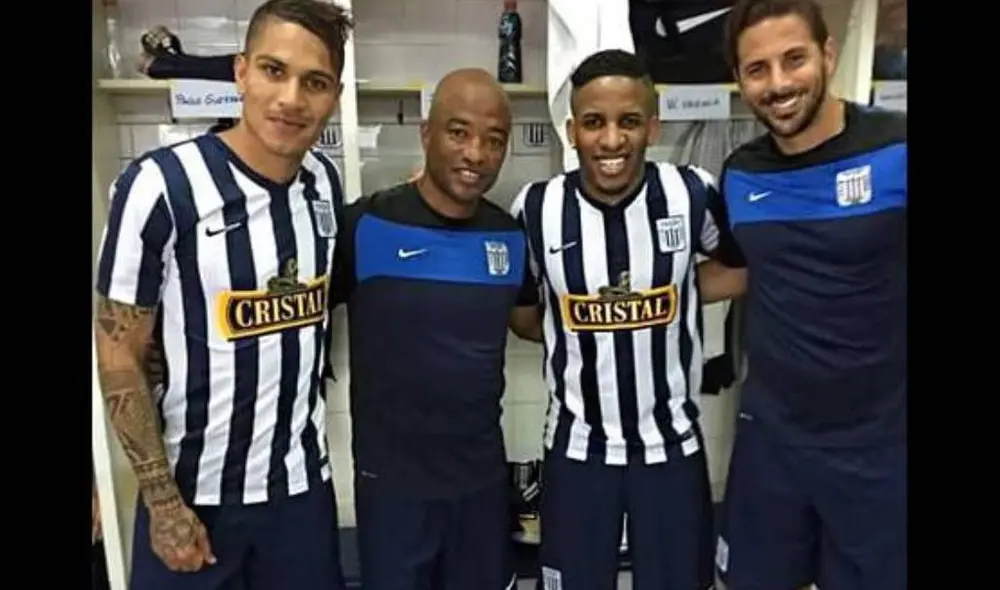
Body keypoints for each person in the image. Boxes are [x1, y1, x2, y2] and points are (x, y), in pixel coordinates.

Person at [93, 1, 355, 588]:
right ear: (240, 72)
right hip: (193, 502)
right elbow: (118, 353)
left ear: (333, 96)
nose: (291, 98)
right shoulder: (159, 184)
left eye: (314, 82)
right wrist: (162, 506)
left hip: (301, 498)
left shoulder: (323, 184)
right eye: (273, 70)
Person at [508, 49, 745, 590]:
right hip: (576, 451)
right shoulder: (537, 208)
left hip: (671, 449)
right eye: (594, 122)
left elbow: (738, 270)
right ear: (571, 130)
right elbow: (526, 316)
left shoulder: (690, 193)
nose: (611, 140)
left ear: (652, 126)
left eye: (629, 121)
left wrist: (673, 293)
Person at [705, 1, 908, 589]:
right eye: (757, 69)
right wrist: (623, 284)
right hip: (772, 443)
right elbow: (738, 272)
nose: (778, 84)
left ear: (827, 54)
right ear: (741, 81)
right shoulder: (742, 174)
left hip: (879, 448)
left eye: (793, 59)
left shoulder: (895, 147)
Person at [327, 67, 540, 590]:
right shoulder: (365, 226)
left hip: (481, 486)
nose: (476, 154)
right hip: (393, 490)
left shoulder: (508, 237)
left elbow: (533, 323)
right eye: (459, 132)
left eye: (494, 140)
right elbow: (297, 316)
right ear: (427, 133)